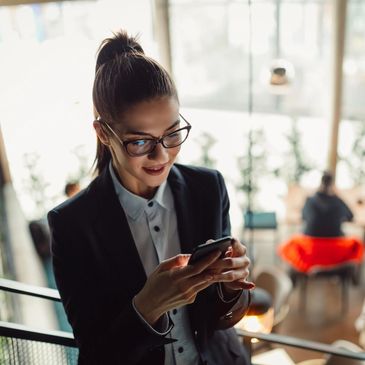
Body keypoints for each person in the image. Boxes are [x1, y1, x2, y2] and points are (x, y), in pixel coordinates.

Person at [47, 30, 255, 365]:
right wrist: (147, 306)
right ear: (103, 133)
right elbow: (95, 352)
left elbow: (220, 321)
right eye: (140, 141)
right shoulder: (72, 224)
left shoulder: (208, 188)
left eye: (172, 133)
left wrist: (231, 287)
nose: (162, 156)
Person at [302, 171, 353, 237]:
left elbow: (303, 217)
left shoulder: (311, 201)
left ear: (321, 183)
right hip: (334, 239)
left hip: (313, 240)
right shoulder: (337, 201)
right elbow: (350, 216)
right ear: (332, 185)